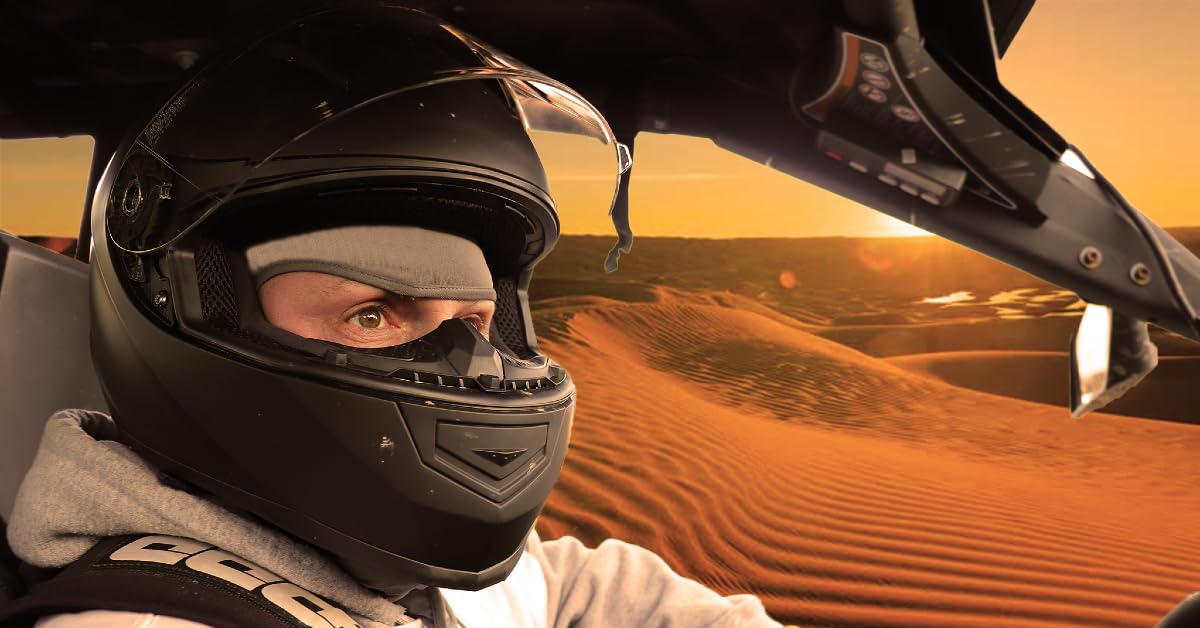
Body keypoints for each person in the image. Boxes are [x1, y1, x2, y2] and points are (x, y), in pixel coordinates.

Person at [1, 5, 783, 627]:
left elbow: (579, 587)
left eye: (476, 323)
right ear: (193, 313)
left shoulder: (397, 563)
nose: (467, 365)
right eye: (373, 316)